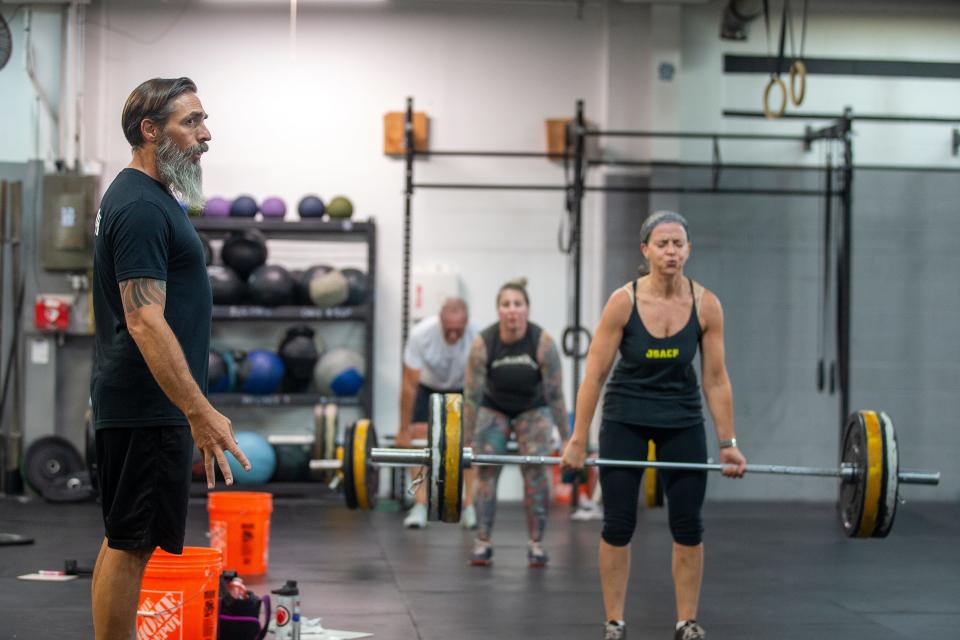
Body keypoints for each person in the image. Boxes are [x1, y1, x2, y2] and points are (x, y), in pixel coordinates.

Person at [90, 77, 250, 639]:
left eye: (203, 121)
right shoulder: (138, 205)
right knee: (131, 545)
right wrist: (198, 410)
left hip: (144, 402)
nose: (205, 135)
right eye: (192, 122)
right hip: (146, 402)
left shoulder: (149, 198)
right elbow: (143, 318)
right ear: (149, 131)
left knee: (124, 539)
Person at [561, 211, 746, 640]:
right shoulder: (623, 302)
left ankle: (686, 622)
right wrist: (577, 439)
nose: (671, 252)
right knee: (618, 523)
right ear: (645, 250)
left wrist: (728, 442)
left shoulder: (707, 305)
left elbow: (716, 379)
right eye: (662, 244)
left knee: (688, 523)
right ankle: (614, 623)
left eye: (678, 244)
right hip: (626, 416)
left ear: (688, 250)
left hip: (680, 419)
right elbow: (594, 375)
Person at [464, 278, 568, 567]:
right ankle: (482, 541)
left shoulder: (543, 342)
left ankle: (536, 544)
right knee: (485, 471)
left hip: (532, 409)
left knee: (536, 472)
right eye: (506, 304)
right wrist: (466, 440)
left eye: (517, 304)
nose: (512, 310)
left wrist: (569, 439)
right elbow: (471, 396)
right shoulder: (483, 343)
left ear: (527, 309)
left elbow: (556, 394)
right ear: (498, 310)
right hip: (493, 407)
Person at [396, 297, 477, 529]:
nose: (453, 335)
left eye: (457, 330)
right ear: (440, 320)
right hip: (427, 386)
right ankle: (420, 504)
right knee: (417, 437)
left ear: (466, 322)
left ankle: (469, 506)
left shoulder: (477, 336)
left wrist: (476, 423)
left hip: (464, 388)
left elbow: (481, 383)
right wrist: (403, 430)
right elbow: (409, 385)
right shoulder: (421, 335)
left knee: (471, 442)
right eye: (448, 329)